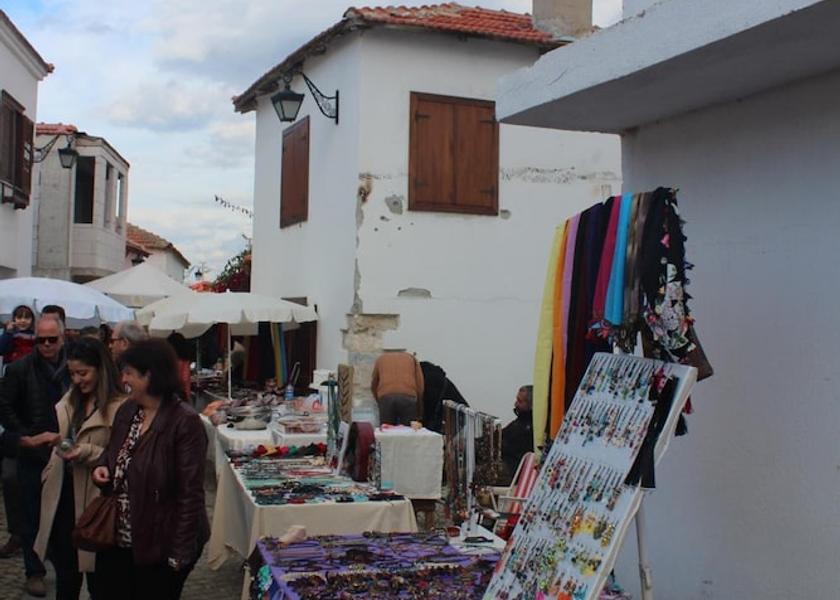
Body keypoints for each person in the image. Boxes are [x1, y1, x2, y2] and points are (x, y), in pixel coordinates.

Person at [92, 339, 209, 599]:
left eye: (129, 373)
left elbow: (190, 495)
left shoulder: (185, 423)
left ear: (150, 375)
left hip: (158, 545)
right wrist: (102, 468)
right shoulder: (128, 411)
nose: (123, 379)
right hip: (117, 540)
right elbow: (113, 454)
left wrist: (179, 553)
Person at [34, 337, 125, 600]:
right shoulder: (69, 401)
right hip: (62, 497)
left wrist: (84, 452)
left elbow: (121, 456)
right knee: (65, 577)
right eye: (72, 373)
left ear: (101, 370)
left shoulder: (120, 407)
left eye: (83, 373)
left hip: (96, 504)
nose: (77, 380)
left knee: (100, 582)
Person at [0, 317, 70, 597]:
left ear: (62, 338)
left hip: (64, 450)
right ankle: (35, 570)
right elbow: (4, 406)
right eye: (41, 339)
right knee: (31, 513)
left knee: (63, 513)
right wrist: (25, 436)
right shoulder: (19, 369)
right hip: (33, 451)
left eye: (52, 339)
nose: (47, 345)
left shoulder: (71, 367)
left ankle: (59, 560)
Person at [370, 350, 425, 425]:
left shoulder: (380, 359)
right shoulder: (411, 358)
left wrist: (379, 399)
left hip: (386, 397)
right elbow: (420, 383)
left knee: (387, 430)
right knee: (409, 431)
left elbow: (374, 383)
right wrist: (419, 406)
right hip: (408, 396)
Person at [501, 385, 534, 480]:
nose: (515, 404)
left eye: (520, 401)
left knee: (468, 472)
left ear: (531, 405)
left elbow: (506, 445)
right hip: (507, 464)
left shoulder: (528, 427)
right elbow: (501, 436)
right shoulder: (521, 421)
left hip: (513, 470)